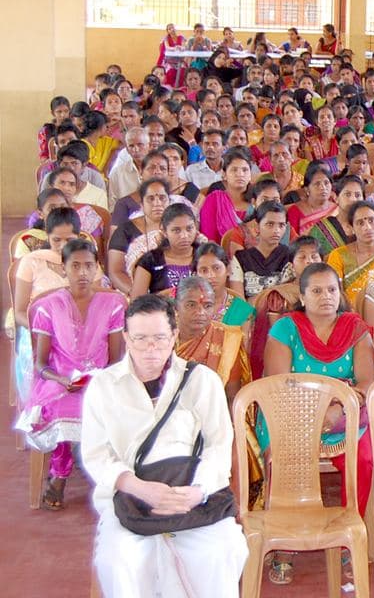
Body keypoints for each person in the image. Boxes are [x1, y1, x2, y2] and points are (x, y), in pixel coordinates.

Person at [82, 294, 247, 598]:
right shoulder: (104, 386)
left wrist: (196, 491)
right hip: (131, 501)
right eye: (141, 339)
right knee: (119, 562)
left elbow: (219, 445)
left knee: (221, 553)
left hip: (193, 498)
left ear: (174, 336)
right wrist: (137, 487)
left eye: (159, 338)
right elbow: (96, 454)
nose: (151, 348)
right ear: (126, 338)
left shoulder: (202, 381)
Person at [261, 263, 374, 584]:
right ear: (302, 295)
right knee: (284, 458)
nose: (325, 297)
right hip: (291, 412)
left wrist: (338, 408)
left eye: (331, 290)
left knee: (364, 459)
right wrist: (317, 410)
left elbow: (367, 383)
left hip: (344, 413)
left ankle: (346, 534)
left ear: (340, 294)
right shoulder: (286, 328)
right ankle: (284, 541)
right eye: (316, 290)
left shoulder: (355, 328)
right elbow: (279, 384)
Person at [19, 239, 125, 511]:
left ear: (98, 268)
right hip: (58, 382)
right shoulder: (48, 306)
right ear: (63, 269)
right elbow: (41, 364)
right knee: (60, 406)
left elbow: (115, 360)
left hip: (101, 379)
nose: (82, 273)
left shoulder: (113, 303)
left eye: (89, 266)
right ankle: (60, 473)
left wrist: (100, 380)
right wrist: (62, 380)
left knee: (108, 404)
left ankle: (108, 475)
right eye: (75, 266)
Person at [173, 275, 250, 402]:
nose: (200, 312)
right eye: (191, 305)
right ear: (176, 307)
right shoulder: (162, 337)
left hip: (212, 415)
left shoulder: (227, 340)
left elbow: (232, 397)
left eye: (207, 306)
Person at [326, 200, 374, 310]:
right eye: (360, 223)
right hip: (349, 317)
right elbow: (335, 293)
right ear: (351, 229)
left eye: (371, 221)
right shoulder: (338, 255)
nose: (367, 227)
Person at [130, 203, 200, 297]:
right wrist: (163, 296)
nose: (184, 235)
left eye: (189, 228)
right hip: (161, 310)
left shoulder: (205, 255)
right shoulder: (150, 261)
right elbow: (136, 303)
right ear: (164, 231)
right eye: (176, 230)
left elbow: (220, 292)